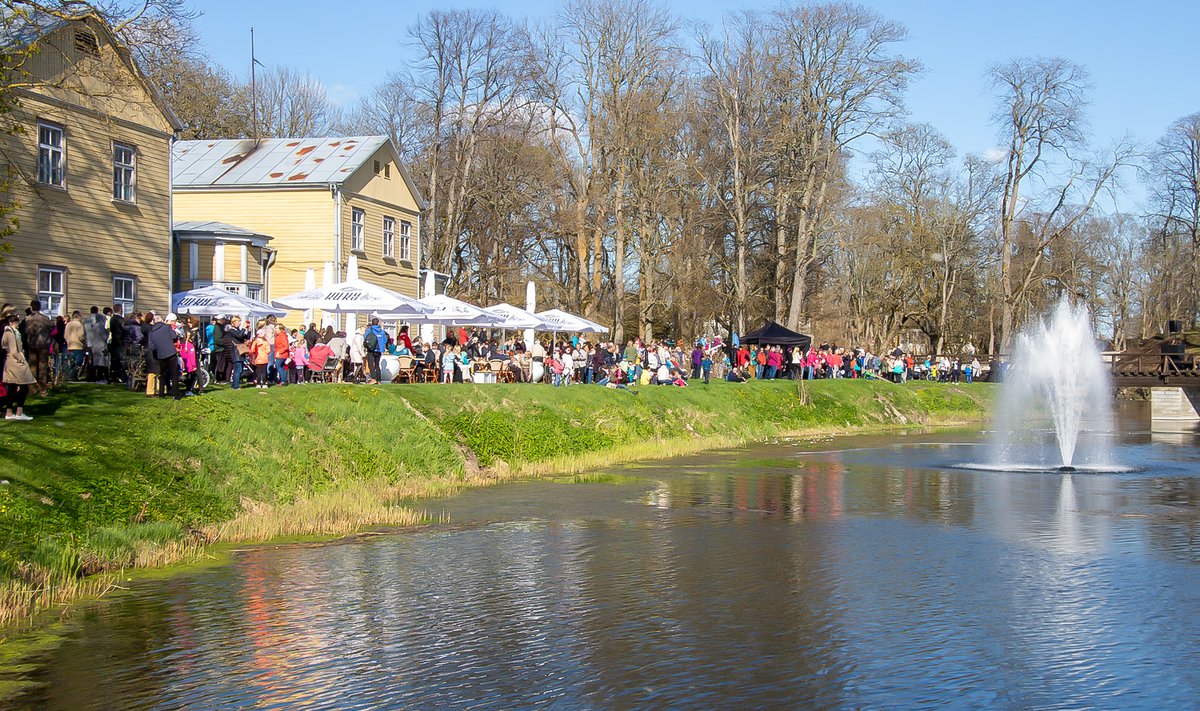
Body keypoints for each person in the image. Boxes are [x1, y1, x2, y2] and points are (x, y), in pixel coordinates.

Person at [2, 311, 37, 420]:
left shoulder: (7, 332)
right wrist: (22, 360)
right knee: (24, 387)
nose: (17, 324)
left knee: (12, 387)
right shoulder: (12, 333)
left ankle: (9, 412)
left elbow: (3, 345)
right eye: (16, 322)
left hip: (10, 362)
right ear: (11, 322)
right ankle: (19, 412)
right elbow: (14, 351)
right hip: (16, 362)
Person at [21, 299, 52, 395]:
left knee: (32, 366)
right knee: (42, 367)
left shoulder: (27, 319)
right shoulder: (44, 318)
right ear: (39, 307)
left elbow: (24, 331)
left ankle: (32, 389)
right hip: (43, 344)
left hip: (32, 344)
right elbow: (52, 327)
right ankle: (42, 390)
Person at [147, 313, 181, 399]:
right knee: (174, 374)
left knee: (162, 374)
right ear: (162, 320)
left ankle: (161, 393)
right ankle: (175, 394)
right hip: (171, 352)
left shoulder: (151, 332)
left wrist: (158, 349)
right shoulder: (167, 327)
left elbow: (151, 346)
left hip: (161, 354)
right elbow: (174, 337)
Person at [83, 306, 110, 383]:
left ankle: (91, 376)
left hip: (92, 344)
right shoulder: (100, 326)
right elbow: (105, 336)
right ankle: (101, 378)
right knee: (102, 363)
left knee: (93, 362)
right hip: (100, 345)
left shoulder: (88, 321)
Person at [248, 324, 271, 389]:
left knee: (258, 372)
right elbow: (268, 350)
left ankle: (259, 383)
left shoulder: (255, 342)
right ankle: (263, 383)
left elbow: (252, 350)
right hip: (264, 358)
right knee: (263, 372)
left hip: (258, 358)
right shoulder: (265, 342)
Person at [364, 318, 386, 384]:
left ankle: (373, 378)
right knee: (377, 365)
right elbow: (385, 340)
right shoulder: (382, 331)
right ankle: (379, 380)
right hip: (379, 350)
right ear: (378, 323)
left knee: (371, 364)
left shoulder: (369, 330)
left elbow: (365, 339)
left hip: (371, 349)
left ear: (372, 323)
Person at [108, 305, 125, 384]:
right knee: (119, 360)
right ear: (120, 310)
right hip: (119, 342)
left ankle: (113, 376)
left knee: (113, 360)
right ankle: (119, 376)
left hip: (114, 341)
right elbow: (123, 330)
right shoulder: (120, 319)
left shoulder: (112, 319)